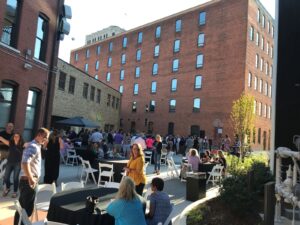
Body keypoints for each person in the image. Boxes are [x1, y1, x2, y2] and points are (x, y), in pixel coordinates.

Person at [14, 128, 50, 225]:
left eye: (47, 138)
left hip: (27, 181)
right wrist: (31, 178)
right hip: (28, 182)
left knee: (23, 209)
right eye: (45, 137)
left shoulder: (35, 145)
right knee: (25, 210)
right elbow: (25, 162)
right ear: (39, 135)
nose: (46, 139)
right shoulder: (33, 146)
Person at [2, 133, 24, 198]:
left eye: (17, 136)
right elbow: (1, 139)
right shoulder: (10, 143)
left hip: (17, 163)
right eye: (15, 136)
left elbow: (30, 144)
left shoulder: (22, 145)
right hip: (9, 162)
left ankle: (15, 192)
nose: (16, 137)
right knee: (6, 177)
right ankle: (8, 188)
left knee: (15, 178)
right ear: (13, 137)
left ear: (20, 138)